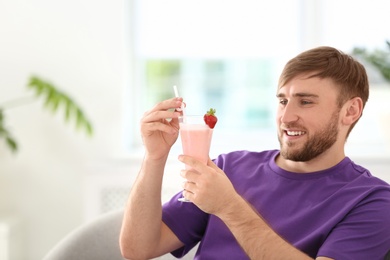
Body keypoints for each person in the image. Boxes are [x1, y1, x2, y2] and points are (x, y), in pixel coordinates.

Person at [119, 46, 390, 260]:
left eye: (306, 102)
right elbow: (138, 248)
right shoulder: (228, 168)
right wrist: (154, 157)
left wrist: (229, 207)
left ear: (351, 111)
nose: (286, 116)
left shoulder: (371, 200)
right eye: (283, 101)